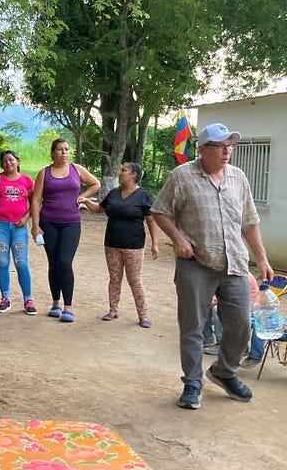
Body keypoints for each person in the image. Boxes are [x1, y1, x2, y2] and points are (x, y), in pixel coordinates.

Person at [152, 122, 273, 409]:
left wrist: (263, 258)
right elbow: (160, 211)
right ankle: (193, 383)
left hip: (235, 264)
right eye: (219, 146)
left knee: (242, 324)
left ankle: (223, 371)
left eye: (229, 146)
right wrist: (178, 238)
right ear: (203, 149)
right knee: (193, 326)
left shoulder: (238, 178)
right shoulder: (181, 176)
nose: (226, 152)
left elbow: (249, 222)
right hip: (196, 263)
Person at [78, 163, 159, 328]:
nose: (120, 173)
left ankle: (143, 315)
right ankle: (113, 310)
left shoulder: (143, 196)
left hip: (133, 245)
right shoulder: (114, 193)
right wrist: (85, 201)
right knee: (114, 278)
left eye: (124, 171)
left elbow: (151, 220)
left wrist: (155, 243)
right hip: (112, 243)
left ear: (134, 175)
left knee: (135, 280)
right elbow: (99, 209)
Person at [30, 138, 100, 322]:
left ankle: (68, 307)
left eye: (67, 149)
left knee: (64, 262)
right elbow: (36, 200)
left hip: (71, 223)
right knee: (53, 263)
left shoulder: (77, 169)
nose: (64, 152)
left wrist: (83, 197)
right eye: (60, 149)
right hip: (48, 222)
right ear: (53, 153)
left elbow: (95, 184)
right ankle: (55, 303)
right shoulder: (44, 173)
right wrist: (35, 225)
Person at [0, 150, 37, 315]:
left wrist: (27, 218)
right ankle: (5, 298)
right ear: (1, 164)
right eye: (4, 161)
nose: (8, 163)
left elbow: (35, 202)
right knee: (3, 262)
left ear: (17, 161)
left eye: (11, 160)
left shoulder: (27, 180)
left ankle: (28, 300)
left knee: (21, 263)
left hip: (19, 227)